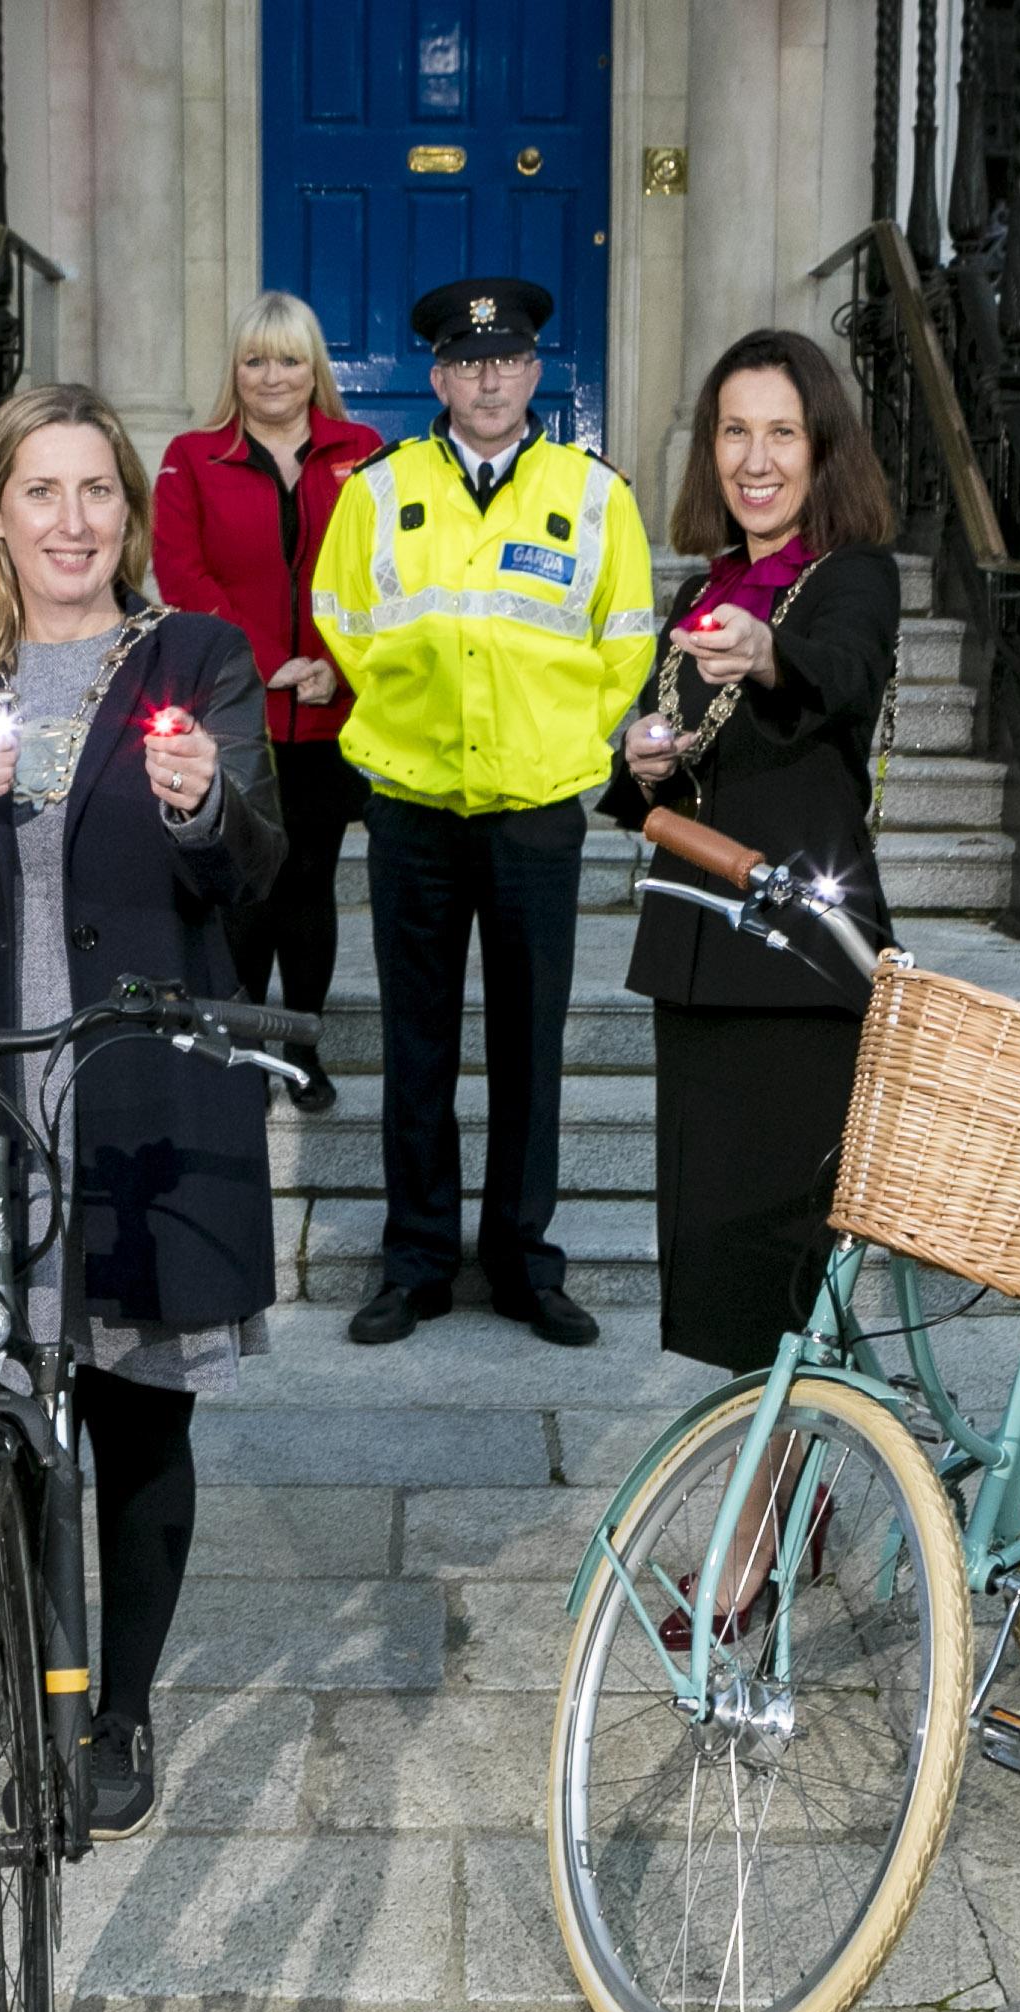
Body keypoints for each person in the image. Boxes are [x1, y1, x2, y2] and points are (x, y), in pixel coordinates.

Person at [0, 382, 287, 1840]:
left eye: (97, 491)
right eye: (41, 491)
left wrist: (196, 806)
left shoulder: (202, 656)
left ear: (130, 513)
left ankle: (118, 1708)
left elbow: (258, 869)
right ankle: (31, 1675)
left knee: (135, 1414)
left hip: (142, 1085)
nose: (73, 520)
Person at [315, 277, 656, 1350]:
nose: (488, 378)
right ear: (437, 376)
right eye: (467, 363)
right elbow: (341, 617)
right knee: (415, 1046)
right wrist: (413, 713)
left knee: (529, 1042)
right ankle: (414, 1260)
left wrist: (559, 737)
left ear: (535, 369)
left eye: (506, 360)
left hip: (535, 811)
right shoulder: (377, 490)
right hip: (412, 803)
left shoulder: (593, 491)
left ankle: (521, 1260)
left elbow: (625, 639)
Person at [601, 327, 900, 1382]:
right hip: (696, 950)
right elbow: (639, 773)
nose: (756, 458)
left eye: (782, 432)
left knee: (784, 1265)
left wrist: (771, 648)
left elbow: (846, 672)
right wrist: (639, 756)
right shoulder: (697, 593)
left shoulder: (849, 576)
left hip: (797, 966)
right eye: (735, 431)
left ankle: (769, 1525)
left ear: (822, 451)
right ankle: (774, 1505)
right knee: (718, 1267)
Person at [152, 292, 386, 1113]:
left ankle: (302, 1049)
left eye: (289, 359)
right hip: (232, 713)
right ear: (236, 371)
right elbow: (182, 575)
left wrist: (332, 664)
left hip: (328, 710)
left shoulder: (363, 453)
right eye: (255, 360)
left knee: (308, 881)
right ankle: (245, 1049)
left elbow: (381, 574)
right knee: (244, 886)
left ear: (314, 367)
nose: (272, 375)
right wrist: (260, 664)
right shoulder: (192, 457)